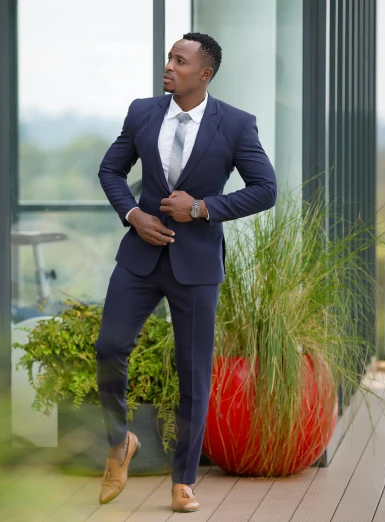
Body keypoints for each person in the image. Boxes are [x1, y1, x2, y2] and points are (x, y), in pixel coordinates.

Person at [95, 32, 277, 513]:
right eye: (169, 58)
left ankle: (184, 479)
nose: (169, 66)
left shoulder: (236, 125)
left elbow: (264, 189)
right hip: (139, 256)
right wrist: (135, 215)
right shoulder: (142, 112)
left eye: (180, 60)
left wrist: (200, 208)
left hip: (196, 264)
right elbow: (110, 171)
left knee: (193, 372)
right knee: (110, 346)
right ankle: (120, 441)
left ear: (205, 73)